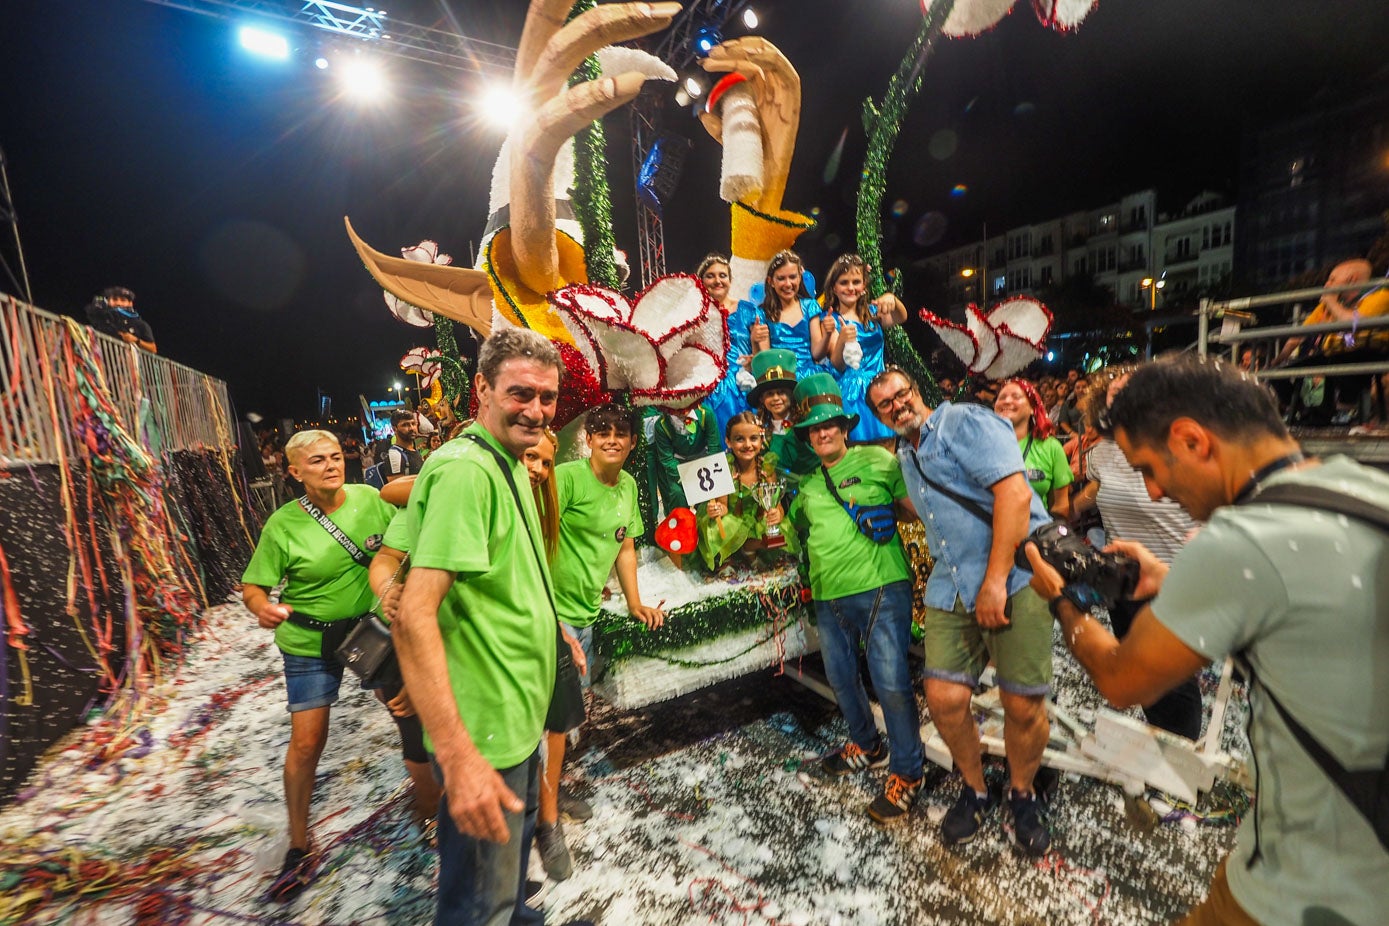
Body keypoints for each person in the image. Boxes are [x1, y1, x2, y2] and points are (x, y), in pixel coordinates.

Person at [1025, 357, 1389, 926]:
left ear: (1193, 440)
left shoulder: (1239, 540)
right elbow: (1304, 602)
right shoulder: (1350, 482)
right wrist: (1173, 581)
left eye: (1148, 467)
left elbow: (1122, 679)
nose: (1154, 491)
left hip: (1310, 885)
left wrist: (1060, 600)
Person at [390, 327, 563, 926]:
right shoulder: (466, 471)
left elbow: (505, 568)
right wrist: (460, 757)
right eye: (520, 393)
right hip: (482, 730)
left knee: (504, 872)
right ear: (483, 391)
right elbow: (415, 614)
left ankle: (516, 914)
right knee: (474, 903)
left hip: (512, 714)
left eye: (547, 397)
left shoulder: (507, 459)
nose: (536, 410)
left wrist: (553, 624)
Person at [240, 429, 439, 901]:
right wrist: (260, 608)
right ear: (293, 472)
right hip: (309, 640)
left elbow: (413, 521)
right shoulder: (282, 525)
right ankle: (298, 841)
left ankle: (429, 812)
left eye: (335, 457)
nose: (331, 466)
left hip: (371, 633)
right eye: (316, 461)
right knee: (308, 741)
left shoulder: (372, 500)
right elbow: (254, 587)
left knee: (410, 716)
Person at [867, 367, 1055, 855]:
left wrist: (994, 581)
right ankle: (975, 788)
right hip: (952, 586)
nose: (896, 405)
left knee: (1022, 703)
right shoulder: (906, 453)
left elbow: (1013, 495)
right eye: (885, 404)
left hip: (1012, 577)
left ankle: (1021, 792)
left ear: (917, 390)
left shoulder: (966, 422)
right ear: (879, 415)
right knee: (946, 699)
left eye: (901, 393)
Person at [785, 373, 926, 825]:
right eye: (814, 428)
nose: (823, 433)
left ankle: (908, 772)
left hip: (882, 587)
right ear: (808, 438)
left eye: (830, 425)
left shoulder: (880, 462)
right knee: (843, 682)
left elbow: (918, 510)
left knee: (891, 684)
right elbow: (792, 537)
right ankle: (868, 745)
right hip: (829, 598)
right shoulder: (806, 488)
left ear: (845, 428)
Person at [537, 404, 663, 880]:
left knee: (564, 717)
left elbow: (624, 546)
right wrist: (549, 616)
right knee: (545, 718)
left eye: (621, 433)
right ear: (588, 439)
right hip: (552, 616)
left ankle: (546, 792)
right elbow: (535, 538)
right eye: (602, 432)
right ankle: (544, 819)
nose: (612, 439)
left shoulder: (628, 486)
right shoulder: (565, 477)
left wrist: (634, 603)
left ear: (632, 442)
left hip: (586, 614)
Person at [1069, 367, 1203, 739]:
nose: (1121, 401)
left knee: (1174, 681)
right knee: (1139, 667)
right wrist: (1070, 507)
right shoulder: (1102, 455)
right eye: (1113, 396)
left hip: (1173, 575)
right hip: (1123, 576)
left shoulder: (1182, 443)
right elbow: (1099, 490)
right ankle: (1159, 741)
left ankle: (1178, 755)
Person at [1270, 257, 1389, 424]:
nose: (1327, 284)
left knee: (1331, 364)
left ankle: (1341, 411)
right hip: (1333, 354)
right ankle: (1305, 410)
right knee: (1278, 373)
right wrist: (1281, 357)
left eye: (1332, 279)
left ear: (1351, 279)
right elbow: (1301, 333)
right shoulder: (1328, 305)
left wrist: (1331, 301)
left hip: (1366, 352)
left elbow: (1353, 324)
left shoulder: (1379, 295)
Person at [818, 253, 907, 444]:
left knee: (887, 450)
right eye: (844, 282)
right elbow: (837, 364)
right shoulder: (829, 318)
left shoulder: (874, 313)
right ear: (834, 287)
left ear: (864, 286)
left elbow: (901, 317)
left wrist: (893, 299)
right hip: (851, 396)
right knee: (856, 453)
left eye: (856, 281)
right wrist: (842, 339)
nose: (851, 287)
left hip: (881, 391)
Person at [698, 411, 795, 570]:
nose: (748, 445)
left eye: (753, 438)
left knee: (780, 532)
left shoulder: (766, 466)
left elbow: (776, 504)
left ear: (761, 440)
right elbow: (722, 505)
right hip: (734, 521)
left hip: (756, 519)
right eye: (739, 439)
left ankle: (749, 548)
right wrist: (716, 509)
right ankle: (728, 556)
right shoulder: (724, 468)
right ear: (728, 441)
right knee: (719, 527)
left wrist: (777, 514)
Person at [993, 378, 1073, 518]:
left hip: (1034, 534)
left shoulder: (1050, 447)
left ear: (1032, 408)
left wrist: (1045, 537)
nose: (1007, 401)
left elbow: (1061, 505)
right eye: (1002, 397)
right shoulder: (981, 445)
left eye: (1016, 396)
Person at [747, 348, 816, 476]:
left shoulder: (807, 423)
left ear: (791, 394)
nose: (776, 398)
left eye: (781, 392)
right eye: (770, 394)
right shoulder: (760, 431)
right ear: (762, 399)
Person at [650, 403, 721, 515]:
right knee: (677, 495)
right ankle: (680, 528)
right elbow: (667, 459)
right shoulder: (662, 425)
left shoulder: (705, 414)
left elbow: (714, 447)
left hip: (704, 463)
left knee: (708, 502)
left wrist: (706, 470)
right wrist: (686, 476)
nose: (681, 410)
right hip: (679, 467)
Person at [84, 286, 157, 353]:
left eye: (123, 300)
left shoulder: (140, 324)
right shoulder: (101, 317)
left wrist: (136, 340)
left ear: (130, 303)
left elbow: (153, 349)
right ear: (108, 301)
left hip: (128, 365)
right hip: (100, 362)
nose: (118, 303)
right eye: (114, 299)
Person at [383, 409, 423, 483]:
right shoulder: (395, 455)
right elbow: (397, 488)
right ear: (395, 429)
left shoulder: (414, 450)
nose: (411, 428)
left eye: (413, 424)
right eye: (405, 425)